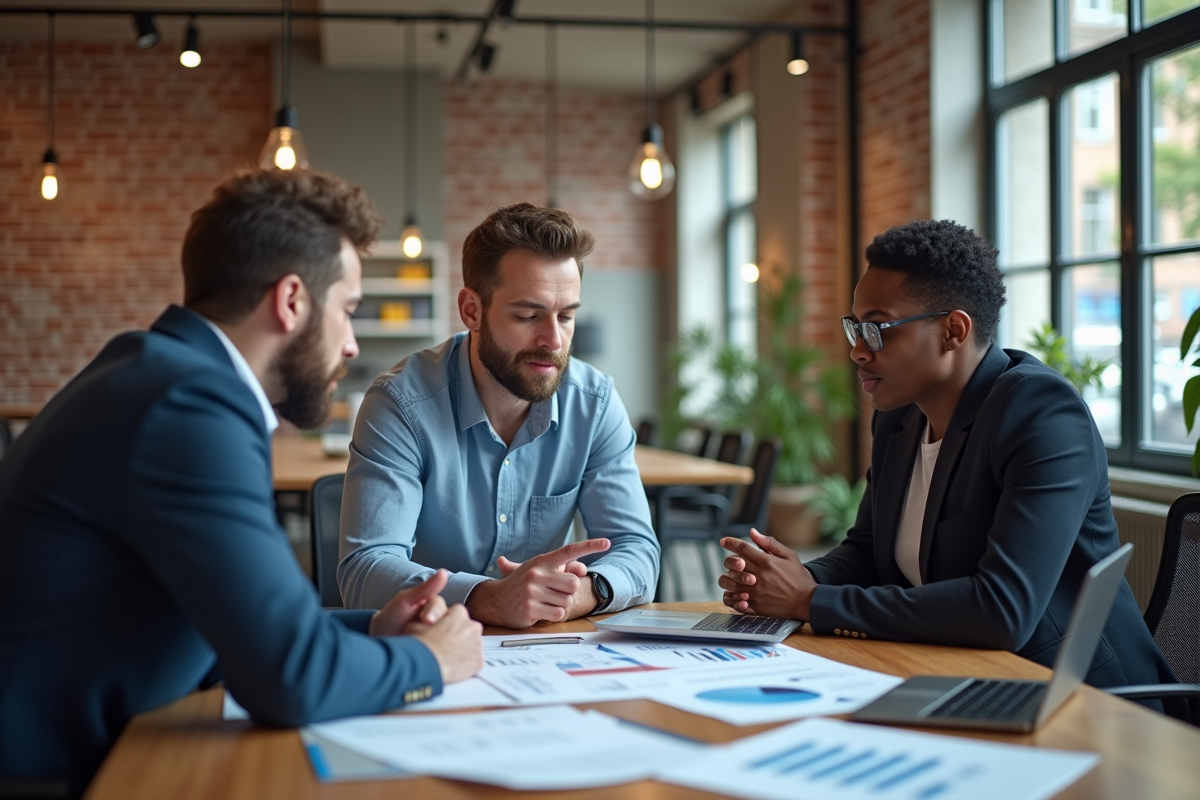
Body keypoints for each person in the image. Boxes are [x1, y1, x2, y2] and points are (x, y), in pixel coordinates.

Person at [0, 168, 483, 796]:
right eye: (347, 311)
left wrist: (373, 630)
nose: (349, 345)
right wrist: (430, 662)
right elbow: (288, 678)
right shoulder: (189, 404)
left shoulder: (155, 371)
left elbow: (241, 630)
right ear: (290, 302)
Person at [718, 219, 1181, 708]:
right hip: (959, 675)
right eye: (854, 327)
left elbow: (1004, 609)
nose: (857, 350)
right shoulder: (898, 421)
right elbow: (868, 552)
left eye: (876, 329)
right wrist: (792, 579)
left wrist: (809, 602)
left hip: (1085, 701)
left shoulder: (1041, 414)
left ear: (953, 331)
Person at [338, 203, 660, 628]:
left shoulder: (594, 403)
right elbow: (365, 568)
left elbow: (637, 548)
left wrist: (586, 591)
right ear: (472, 310)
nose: (553, 340)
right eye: (528, 316)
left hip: (547, 655)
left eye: (566, 317)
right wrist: (487, 598)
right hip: (428, 644)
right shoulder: (400, 403)